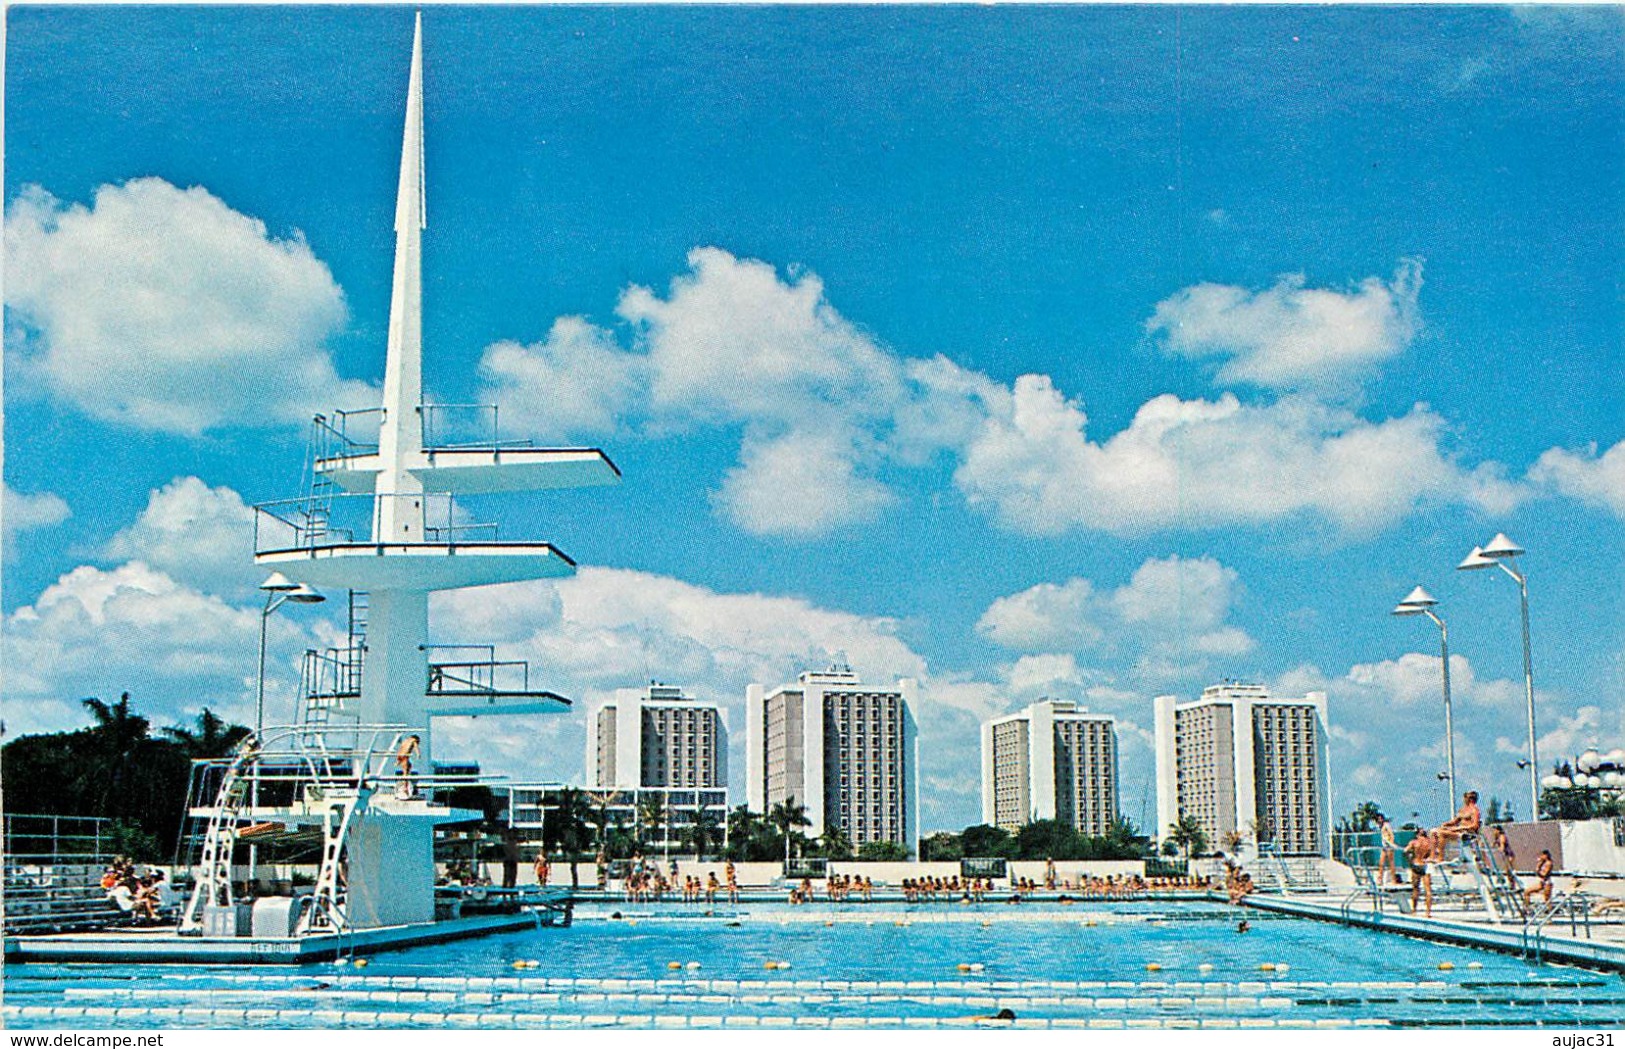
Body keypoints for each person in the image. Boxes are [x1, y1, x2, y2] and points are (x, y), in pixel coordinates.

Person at [1435, 790, 1482, 856]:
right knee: (1434, 832)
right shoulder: (1463, 810)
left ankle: (1440, 857)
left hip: (1467, 834)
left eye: (1466, 797)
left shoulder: (1475, 810)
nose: (1464, 799)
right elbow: (1454, 821)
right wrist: (1445, 824)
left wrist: (1460, 828)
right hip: (1459, 831)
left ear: (1471, 799)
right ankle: (1433, 856)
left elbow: (1475, 826)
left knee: (1441, 833)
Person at [1404, 828, 1435, 917]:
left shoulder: (1414, 842)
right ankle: (1428, 913)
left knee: (1415, 889)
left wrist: (1410, 861)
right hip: (1425, 865)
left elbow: (1405, 851)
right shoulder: (1429, 843)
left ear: (1417, 835)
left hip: (1416, 864)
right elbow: (1432, 857)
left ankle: (1414, 911)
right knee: (1428, 890)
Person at [1377, 815, 1400, 885]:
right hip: (1384, 846)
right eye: (1378, 819)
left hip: (1389, 845)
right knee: (1381, 863)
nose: (1379, 820)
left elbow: (1391, 835)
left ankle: (1394, 880)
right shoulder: (1380, 826)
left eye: (1380, 819)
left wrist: (1391, 844)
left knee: (1391, 863)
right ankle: (1380, 879)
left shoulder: (1386, 825)